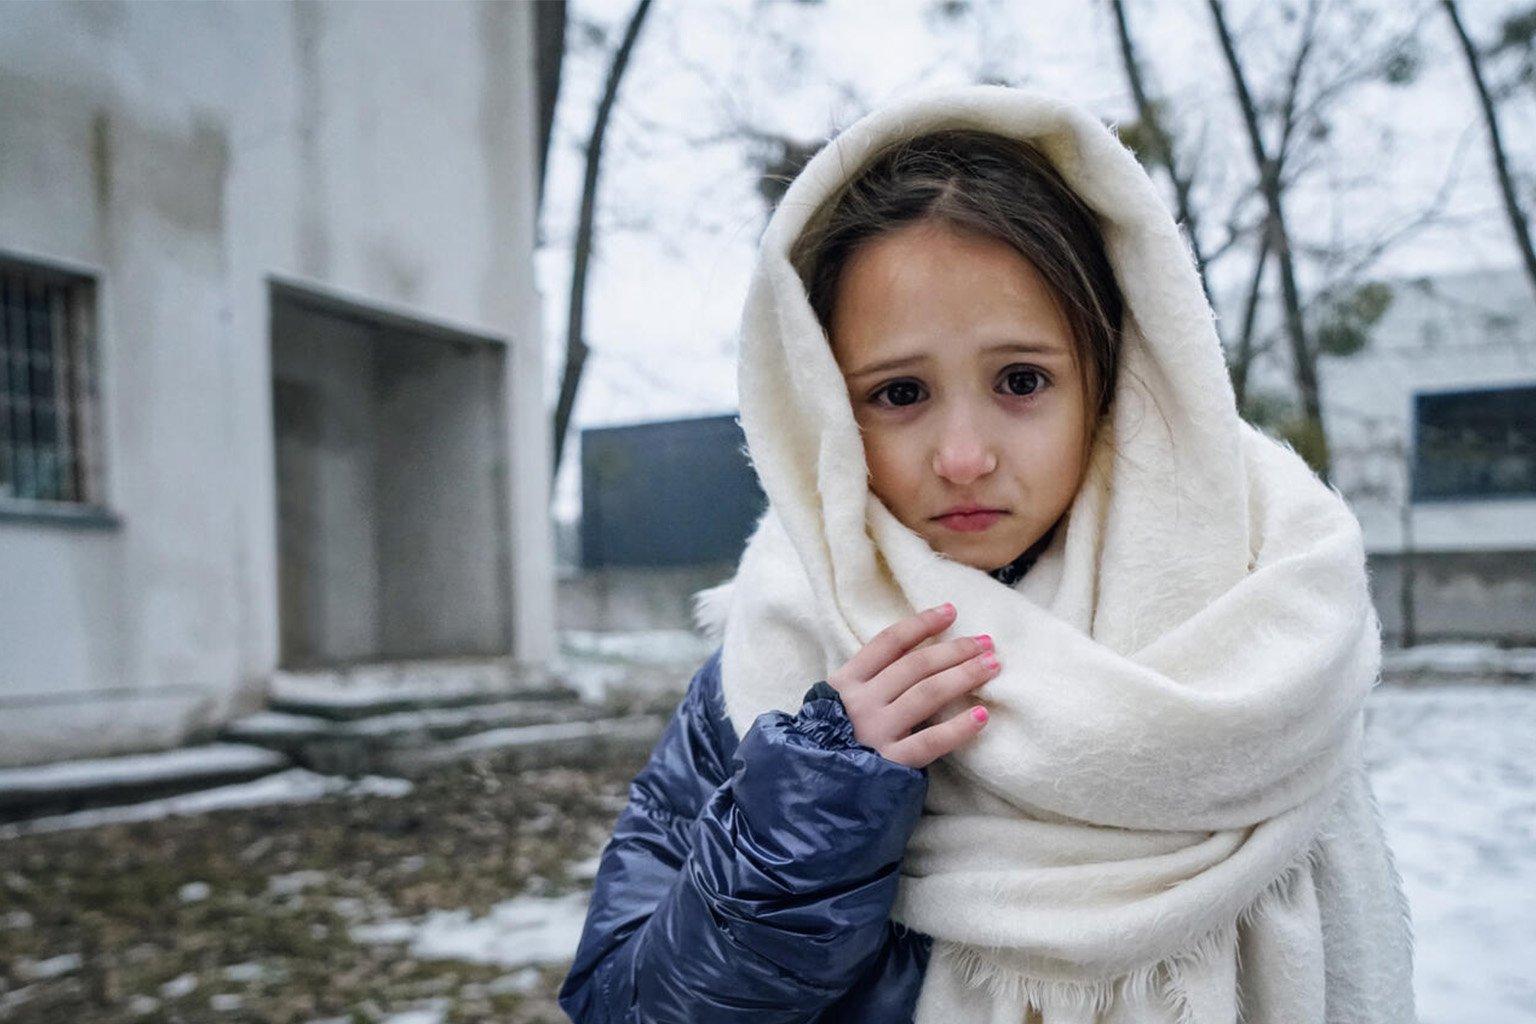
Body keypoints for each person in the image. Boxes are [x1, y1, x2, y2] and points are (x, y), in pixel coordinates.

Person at [558, 85, 1414, 1024]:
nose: (963, 456)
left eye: (1020, 380)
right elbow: (625, 1004)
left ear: (1111, 375)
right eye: (898, 393)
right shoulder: (779, 664)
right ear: (824, 410)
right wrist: (812, 806)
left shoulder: (1259, 620)